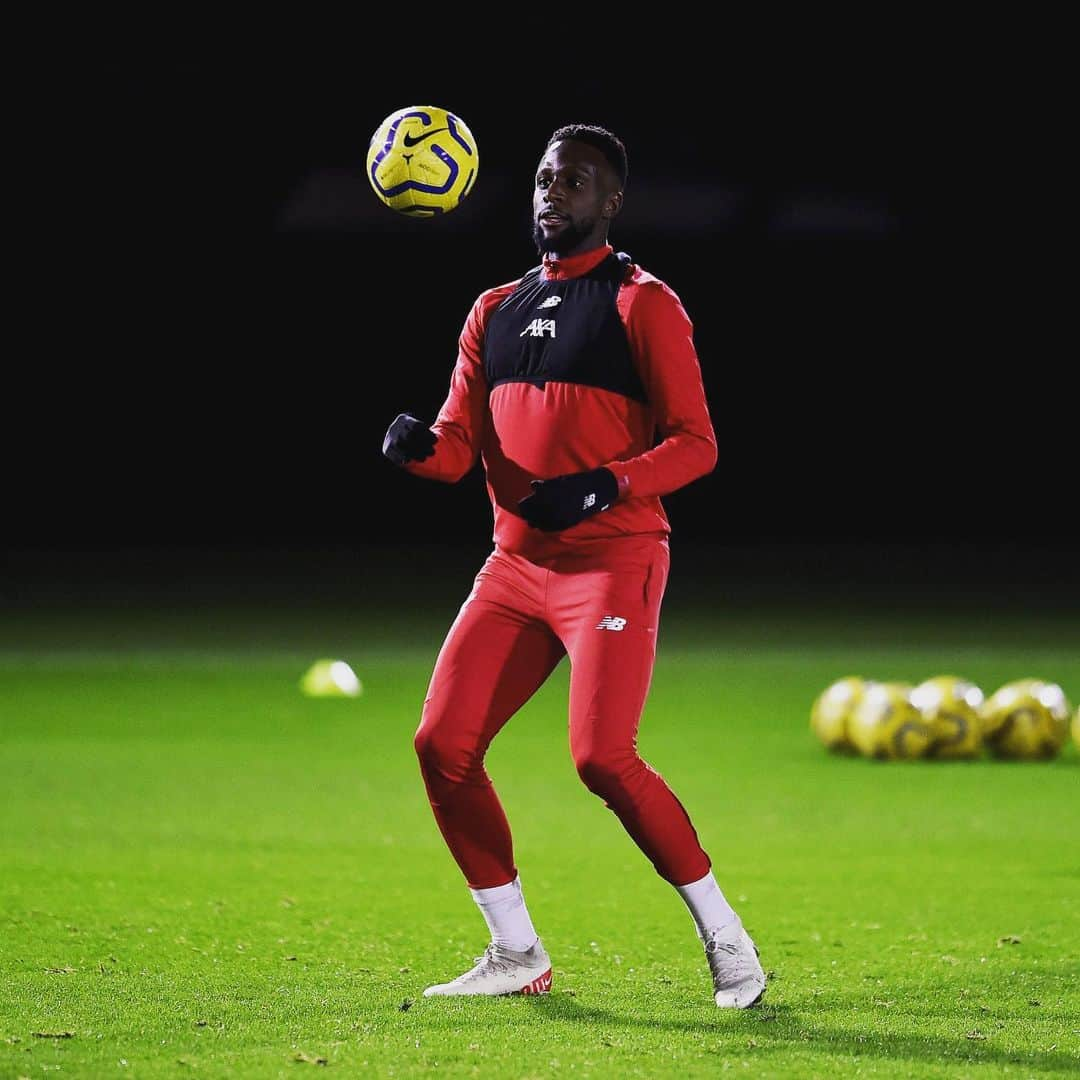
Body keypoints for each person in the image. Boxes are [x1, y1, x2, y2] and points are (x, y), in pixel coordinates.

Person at [381, 123, 766, 1008]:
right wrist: (415, 448)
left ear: (612, 201)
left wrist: (604, 487)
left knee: (600, 756)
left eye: (577, 182)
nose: (554, 194)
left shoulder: (643, 303)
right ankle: (516, 952)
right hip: (514, 569)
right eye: (547, 180)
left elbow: (697, 444)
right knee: (442, 744)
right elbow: (456, 447)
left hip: (612, 564)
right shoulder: (493, 309)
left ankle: (727, 936)